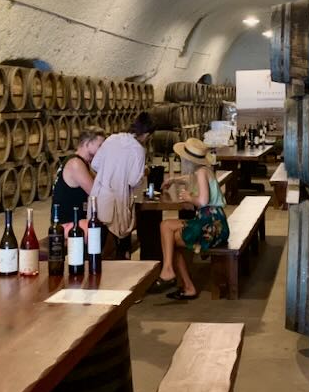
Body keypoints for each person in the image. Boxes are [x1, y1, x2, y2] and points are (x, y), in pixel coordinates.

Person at [149, 138, 229, 300]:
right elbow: (190, 179)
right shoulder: (204, 170)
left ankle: (169, 271)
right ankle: (182, 281)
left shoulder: (200, 172)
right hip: (216, 222)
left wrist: (188, 197)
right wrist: (174, 180)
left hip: (209, 225)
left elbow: (203, 201)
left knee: (166, 229)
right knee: (169, 235)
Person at [90, 112, 155, 258]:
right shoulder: (138, 150)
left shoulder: (112, 138)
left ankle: (94, 275)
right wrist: (143, 172)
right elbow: (133, 180)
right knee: (122, 241)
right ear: (146, 134)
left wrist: (110, 171)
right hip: (118, 201)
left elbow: (95, 164)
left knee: (96, 242)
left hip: (99, 197)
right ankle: (121, 274)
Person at [51, 125, 105, 234]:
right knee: (105, 230)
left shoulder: (83, 163)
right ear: (87, 143)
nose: (102, 150)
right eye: (100, 146)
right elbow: (96, 193)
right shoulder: (75, 164)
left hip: (77, 221)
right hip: (67, 225)